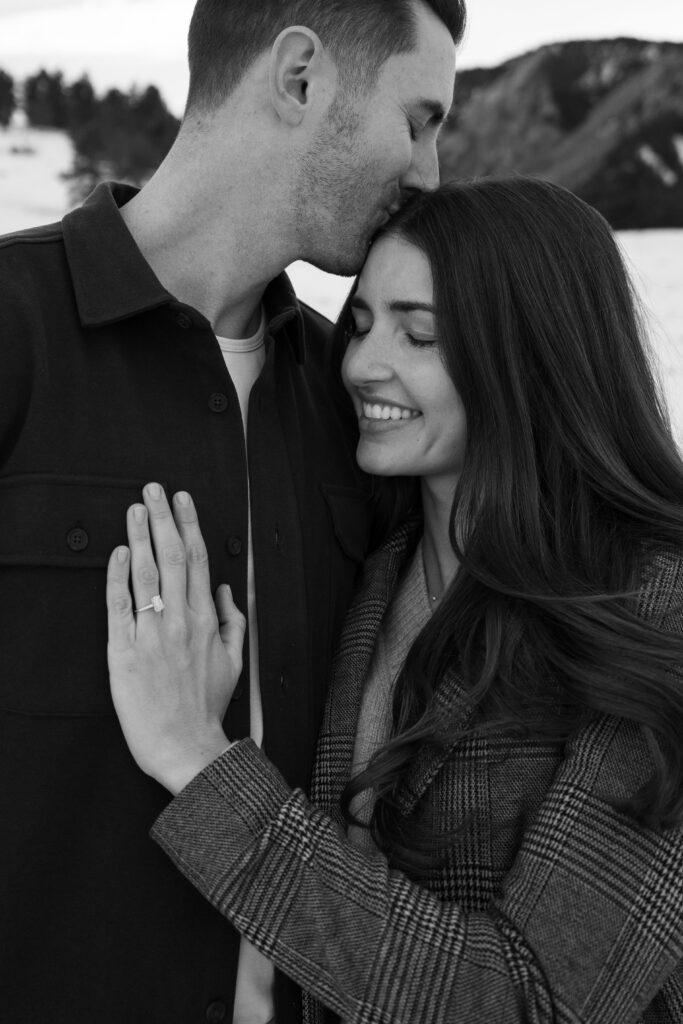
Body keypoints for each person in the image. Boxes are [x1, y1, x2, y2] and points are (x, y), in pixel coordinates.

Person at [107, 178, 683, 1023]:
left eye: (418, 335)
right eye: (363, 323)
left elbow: (537, 1006)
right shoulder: (374, 571)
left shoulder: (651, 605)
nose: (360, 364)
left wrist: (198, 763)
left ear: (534, 355)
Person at [0, 1, 464, 1019]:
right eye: (418, 118)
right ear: (299, 77)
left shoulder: (359, 404)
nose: (428, 171)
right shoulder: (14, 327)